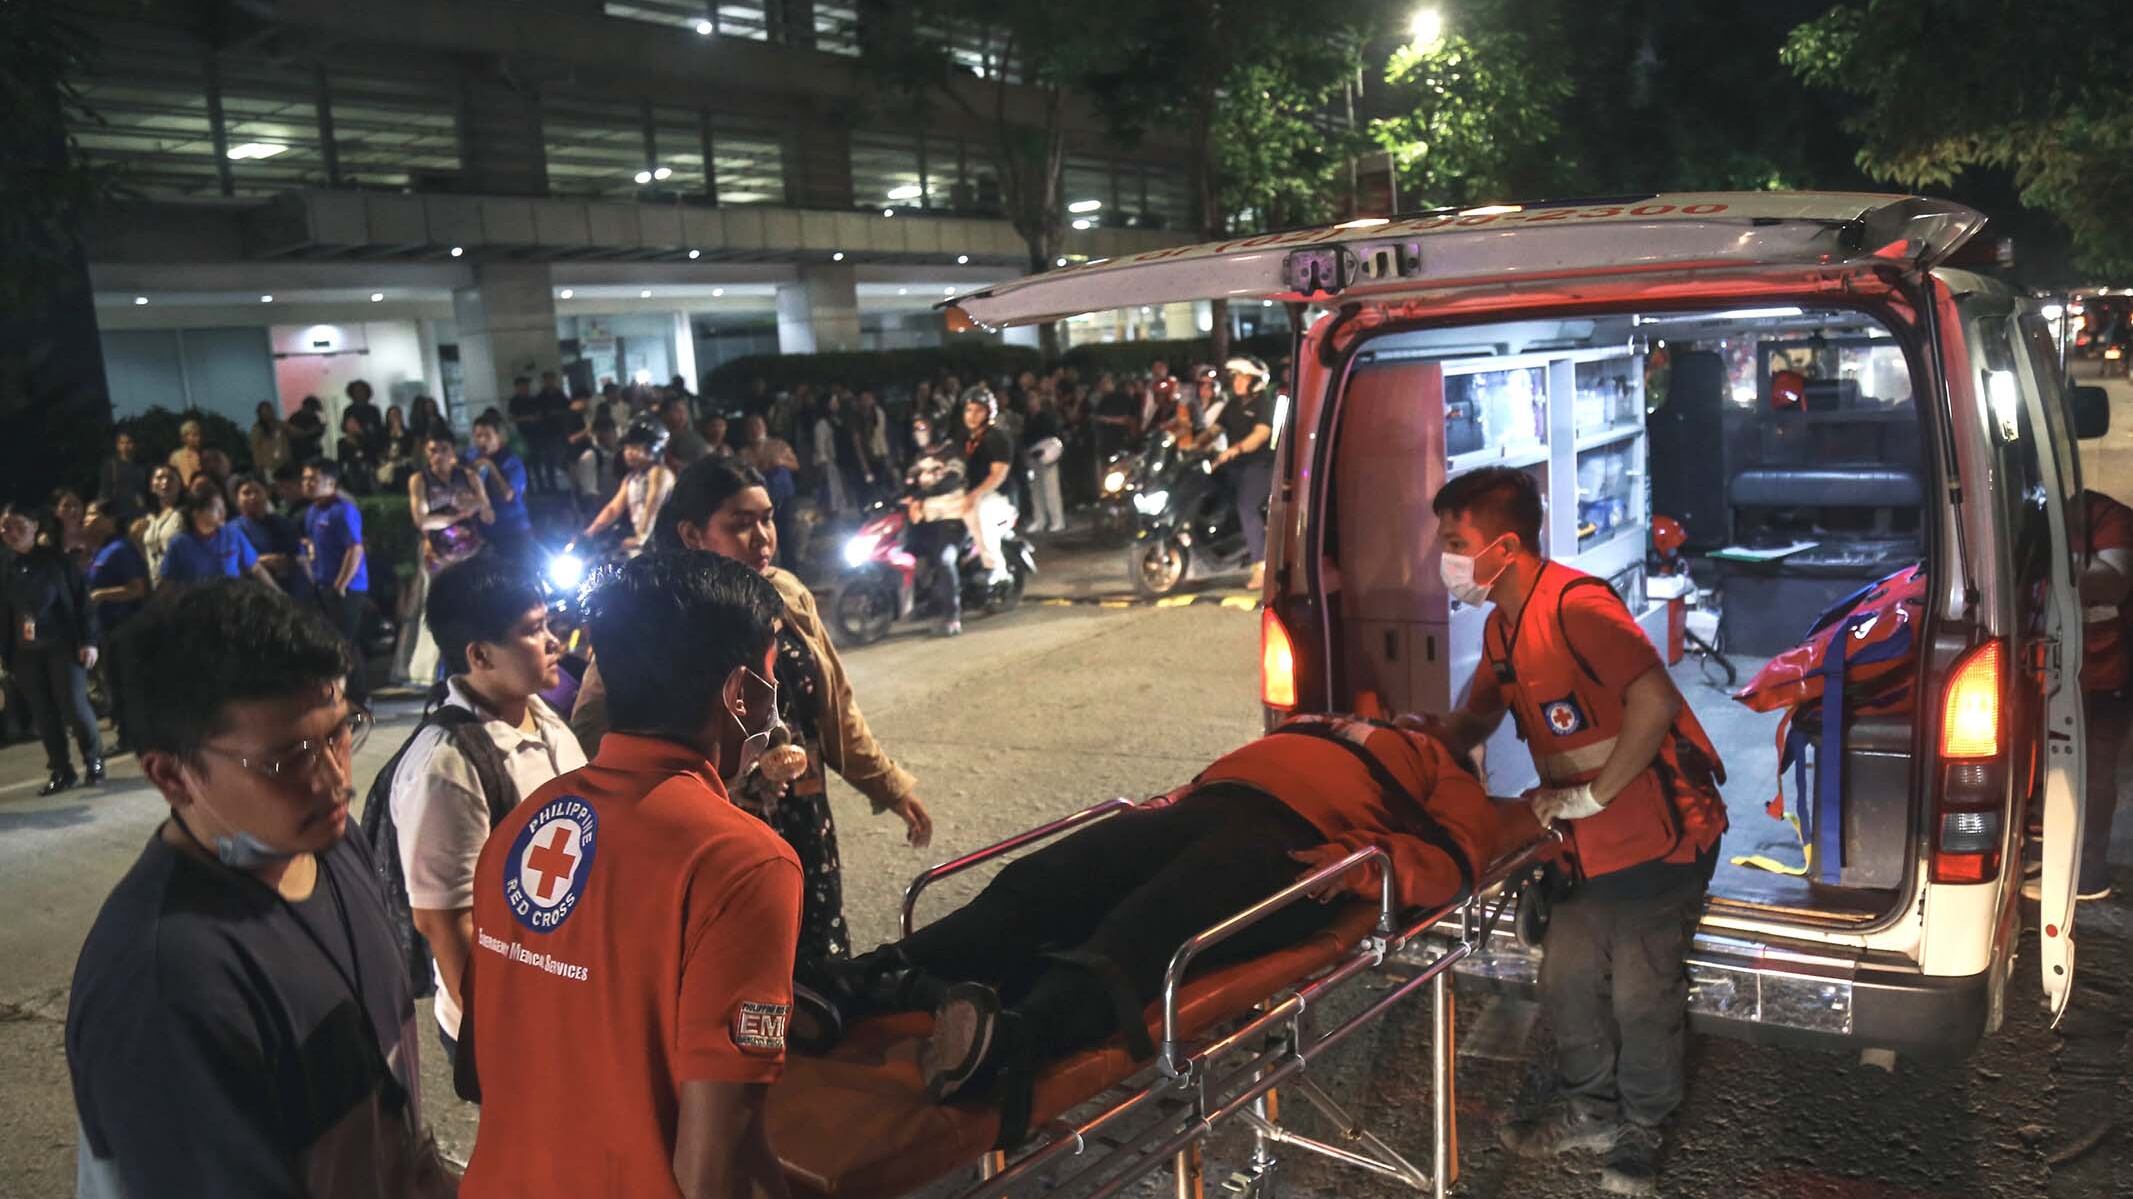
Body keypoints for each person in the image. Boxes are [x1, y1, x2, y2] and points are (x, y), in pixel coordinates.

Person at [814, 715, 1498, 1125]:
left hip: (1291, 842)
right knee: (1041, 883)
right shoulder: (1320, 724)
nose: (1423, 714)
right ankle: (866, 980)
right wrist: (1168, 802)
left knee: (1145, 929)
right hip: (1202, 806)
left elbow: (1456, 862)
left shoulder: (1440, 768)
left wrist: (1363, 865)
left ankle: (1017, 1041)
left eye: (1437, 719)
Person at [65, 580, 455, 1198]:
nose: (335, 779)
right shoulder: (166, 980)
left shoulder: (332, 843)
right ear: (171, 775)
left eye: (340, 732)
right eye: (288, 759)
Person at [1420, 467, 1727, 1197]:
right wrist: (1407, 744)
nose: (1443, 557)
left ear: (1503, 547)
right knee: (1565, 977)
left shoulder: (1577, 607)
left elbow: (1654, 701)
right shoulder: (1502, 627)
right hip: (1582, 840)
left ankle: (1642, 1123)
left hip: (1656, 832)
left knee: (1642, 993)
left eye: (1454, 542)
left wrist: (1593, 794)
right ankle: (1590, 1107)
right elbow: (1475, 716)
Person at [457, 551, 802, 1198]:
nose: (773, 701)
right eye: (771, 675)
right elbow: (715, 1168)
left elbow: (486, 1058)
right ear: (737, 692)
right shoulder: (741, 862)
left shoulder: (523, 824)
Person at [572, 458, 932, 961]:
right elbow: (595, 726)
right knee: (737, 970)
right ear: (692, 534)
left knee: (815, 965)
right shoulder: (659, 614)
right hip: (706, 828)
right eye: (741, 524)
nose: (763, 538)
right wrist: (709, 785)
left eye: (767, 519)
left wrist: (889, 785)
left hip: (803, 815)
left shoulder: (789, 595)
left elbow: (836, 709)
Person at [377, 557, 585, 1061]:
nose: (554, 642)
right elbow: (444, 922)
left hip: (569, 995)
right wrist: (497, 1038)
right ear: (480, 655)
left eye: (548, 624)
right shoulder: (446, 767)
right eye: (533, 631)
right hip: (515, 1024)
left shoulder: (544, 718)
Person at [1, 505, 103, 794]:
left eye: (18, 526)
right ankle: (61, 769)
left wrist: (89, 641)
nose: (11, 533)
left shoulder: (57, 561)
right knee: (43, 714)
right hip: (24, 651)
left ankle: (93, 760)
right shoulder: (5, 567)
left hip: (62, 646)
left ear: (35, 526)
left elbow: (83, 603)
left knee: (73, 705)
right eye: (5, 527)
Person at [2063, 488, 2133, 902]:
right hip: (2049, 671)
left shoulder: (2105, 516)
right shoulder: (2020, 515)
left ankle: (2088, 874)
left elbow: (2114, 582)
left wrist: (2045, 563)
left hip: (2106, 673)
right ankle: (2050, 861)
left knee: (2093, 772)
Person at [301, 460, 373, 707]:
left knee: (345, 642)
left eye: (313, 479)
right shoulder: (312, 511)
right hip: (323, 585)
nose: (307, 483)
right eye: (305, 478)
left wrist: (340, 584)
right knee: (333, 640)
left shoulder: (343, 510)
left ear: (331, 482)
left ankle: (358, 698)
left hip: (347, 588)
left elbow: (355, 549)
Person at [83, 501, 149, 753]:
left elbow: (137, 588)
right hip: (106, 628)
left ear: (110, 520)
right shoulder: (100, 551)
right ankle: (127, 733)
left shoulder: (120, 549)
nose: (87, 519)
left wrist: (101, 595)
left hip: (124, 625)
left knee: (125, 682)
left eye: (93, 514)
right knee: (114, 682)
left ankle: (134, 735)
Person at [1208, 357, 1277, 591]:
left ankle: (1261, 568)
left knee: (1246, 506)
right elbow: (1214, 430)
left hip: (1260, 465)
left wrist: (1235, 449)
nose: (1236, 382)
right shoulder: (1233, 404)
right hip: (1234, 465)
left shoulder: (1263, 404)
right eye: (1235, 377)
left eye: (1242, 378)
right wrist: (1194, 443)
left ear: (1255, 382)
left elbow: (1260, 435)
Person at [904, 413, 969, 636]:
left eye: (923, 428)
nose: (919, 433)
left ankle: (952, 617)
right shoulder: (920, 456)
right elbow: (909, 483)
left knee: (944, 560)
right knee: (910, 555)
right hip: (928, 519)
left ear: (936, 429)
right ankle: (925, 603)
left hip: (953, 517)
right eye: (916, 429)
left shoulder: (953, 452)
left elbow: (951, 480)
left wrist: (923, 493)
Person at [581, 416, 675, 555]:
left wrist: (641, 537)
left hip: (665, 544)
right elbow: (613, 508)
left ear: (653, 447)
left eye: (635, 447)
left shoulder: (659, 473)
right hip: (646, 546)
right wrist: (589, 532)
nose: (629, 452)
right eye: (627, 447)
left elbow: (652, 504)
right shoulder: (631, 479)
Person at [958, 384, 1019, 586]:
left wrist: (975, 494)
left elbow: (998, 475)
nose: (972, 415)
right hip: (972, 493)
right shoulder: (966, 438)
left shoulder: (997, 437)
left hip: (998, 496)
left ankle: (994, 567)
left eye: (978, 410)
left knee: (983, 516)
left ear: (988, 412)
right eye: (968, 410)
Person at [157, 490, 278, 589]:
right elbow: (167, 582)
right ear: (196, 513)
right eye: (215, 508)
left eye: (223, 507)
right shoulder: (179, 544)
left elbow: (256, 568)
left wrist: (278, 593)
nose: (222, 512)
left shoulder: (232, 534)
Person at [410, 430, 492, 575]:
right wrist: (458, 516)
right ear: (426, 452)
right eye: (433, 450)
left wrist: (476, 504)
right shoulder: (420, 480)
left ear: (453, 451)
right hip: (438, 554)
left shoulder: (469, 476)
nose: (438, 456)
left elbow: (488, 514)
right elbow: (422, 522)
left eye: (444, 450)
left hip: (470, 552)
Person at [467, 410, 533, 564]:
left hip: (512, 529)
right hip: (482, 532)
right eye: (478, 436)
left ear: (499, 437)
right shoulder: (470, 459)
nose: (483, 441)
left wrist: (491, 467)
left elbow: (507, 495)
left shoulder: (512, 462)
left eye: (487, 436)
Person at [231, 474, 311, 600]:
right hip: (259, 593)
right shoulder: (233, 530)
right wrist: (261, 561)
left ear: (267, 493)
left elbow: (300, 553)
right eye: (246, 493)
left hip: (295, 588)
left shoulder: (284, 522)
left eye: (257, 491)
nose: (253, 497)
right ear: (237, 499)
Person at [1020, 391, 1067, 535]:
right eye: (1029, 399)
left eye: (1033, 399)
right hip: (1032, 456)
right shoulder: (1028, 418)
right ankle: (1039, 520)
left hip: (1048, 455)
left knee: (1051, 489)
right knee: (1036, 490)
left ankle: (1057, 520)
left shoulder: (1046, 417)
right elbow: (1025, 437)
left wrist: (1049, 451)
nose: (1031, 402)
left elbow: (1054, 437)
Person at [137, 465, 185, 584]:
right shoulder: (149, 519)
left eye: (170, 478)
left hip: (179, 584)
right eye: (159, 478)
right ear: (151, 485)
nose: (165, 482)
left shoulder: (184, 514)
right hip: (154, 584)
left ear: (180, 485)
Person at [96, 430, 151, 528]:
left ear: (134, 445)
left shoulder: (142, 466)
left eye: (129, 442)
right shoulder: (111, 466)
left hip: (138, 514)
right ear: (117, 446)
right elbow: (105, 490)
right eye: (122, 443)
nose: (125, 446)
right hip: (116, 514)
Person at [571, 413, 621, 520]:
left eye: (613, 431)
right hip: (602, 513)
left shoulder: (619, 455)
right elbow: (590, 494)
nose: (613, 436)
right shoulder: (590, 456)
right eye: (607, 431)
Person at [337, 411, 380, 496]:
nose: (352, 425)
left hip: (365, 467)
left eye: (354, 422)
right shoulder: (341, 443)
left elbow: (371, 454)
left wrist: (362, 435)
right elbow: (342, 459)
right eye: (350, 423)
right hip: (351, 467)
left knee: (365, 467)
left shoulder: (364, 440)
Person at [663, 394, 712, 467]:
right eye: (677, 411)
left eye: (684, 412)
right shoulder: (660, 432)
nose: (682, 416)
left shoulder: (691, 437)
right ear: (665, 413)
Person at [250, 400, 292, 479]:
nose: (269, 412)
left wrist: (310, 431)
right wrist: (258, 466)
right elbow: (255, 448)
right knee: (273, 485)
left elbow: (295, 432)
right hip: (268, 468)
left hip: (284, 464)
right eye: (266, 411)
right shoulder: (257, 429)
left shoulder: (280, 425)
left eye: (270, 409)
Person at [167, 419, 208, 488]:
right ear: (184, 438)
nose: (198, 438)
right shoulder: (176, 457)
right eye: (194, 435)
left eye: (199, 435)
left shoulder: (205, 456)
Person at [287, 396, 328, 464]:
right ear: (306, 407)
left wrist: (321, 430)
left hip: (313, 454)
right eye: (312, 410)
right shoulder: (294, 419)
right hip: (300, 455)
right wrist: (310, 432)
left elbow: (317, 437)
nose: (313, 412)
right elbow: (293, 435)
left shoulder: (314, 418)